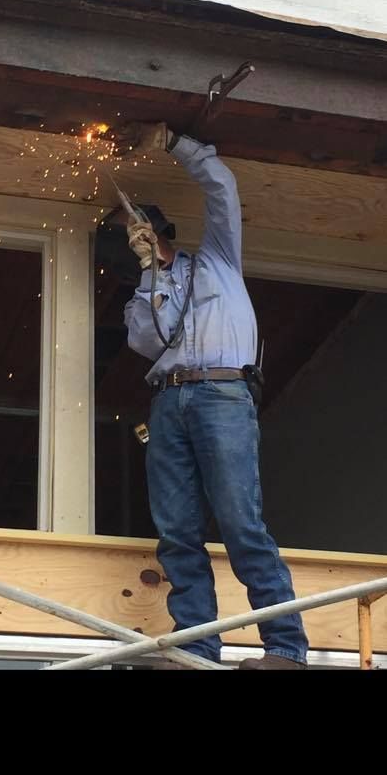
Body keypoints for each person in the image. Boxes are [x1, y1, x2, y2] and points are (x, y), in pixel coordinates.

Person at [112, 121, 309, 670]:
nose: (137, 235)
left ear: (158, 226)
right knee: (177, 531)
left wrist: (177, 145)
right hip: (168, 402)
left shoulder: (219, 258)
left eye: (141, 227)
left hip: (223, 392)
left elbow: (221, 188)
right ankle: (197, 647)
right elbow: (149, 342)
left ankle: (286, 650)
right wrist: (151, 273)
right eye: (130, 234)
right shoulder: (142, 297)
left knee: (240, 520)